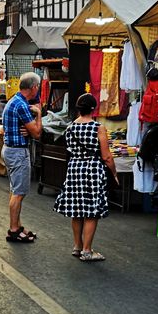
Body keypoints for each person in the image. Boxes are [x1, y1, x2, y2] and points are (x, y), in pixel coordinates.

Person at [52, 93, 119, 262]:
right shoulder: (98, 128)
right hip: (92, 169)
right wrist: (114, 173)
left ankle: (77, 246)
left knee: (77, 207)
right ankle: (87, 251)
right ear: (93, 109)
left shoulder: (70, 128)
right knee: (91, 210)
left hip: (74, 168)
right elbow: (107, 157)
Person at [1, 72, 43, 243]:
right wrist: (39, 114)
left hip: (10, 150)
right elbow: (37, 133)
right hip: (17, 152)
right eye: (38, 87)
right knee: (18, 193)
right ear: (33, 87)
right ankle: (13, 230)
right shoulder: (21, 105)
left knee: (15, 190)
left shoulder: (15, 101)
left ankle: (18, 226)